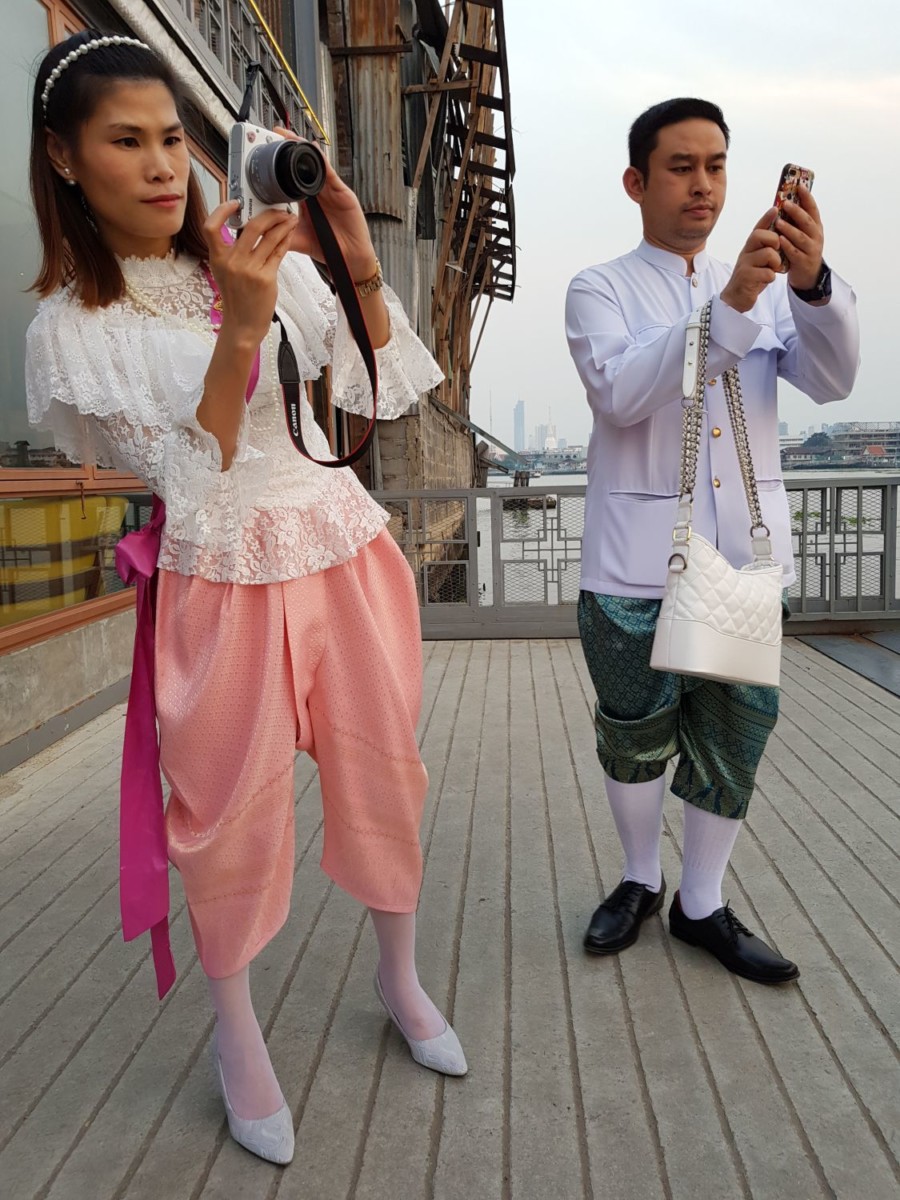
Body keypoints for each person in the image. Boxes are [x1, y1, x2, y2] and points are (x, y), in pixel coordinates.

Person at [26, 31, 466, 1167]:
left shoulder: (255, 248)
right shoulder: (76, 329)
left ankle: (401, 976)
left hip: (342, 547)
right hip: (218, 577)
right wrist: (239, 323)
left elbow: (377, 384)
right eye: (126, 141)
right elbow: (197, 468)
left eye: (173, 138)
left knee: (387, 769)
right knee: (223, 818)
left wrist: (352, 253)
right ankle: (236, 1034)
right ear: (65, 159)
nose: (162, 165)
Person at [565, 98, 859, 984]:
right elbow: (620, 392)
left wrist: (812, 285)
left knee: (735, 731)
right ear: (637, 181)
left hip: (743, 558)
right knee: (634, 731)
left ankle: (701, 901)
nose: (704, 184)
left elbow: (833, 379)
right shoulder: (598, 288)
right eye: (682, 166)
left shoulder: (765, 283)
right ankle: (638, 877)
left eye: (717, 165)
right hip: (633, 561)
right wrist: (729, 308)